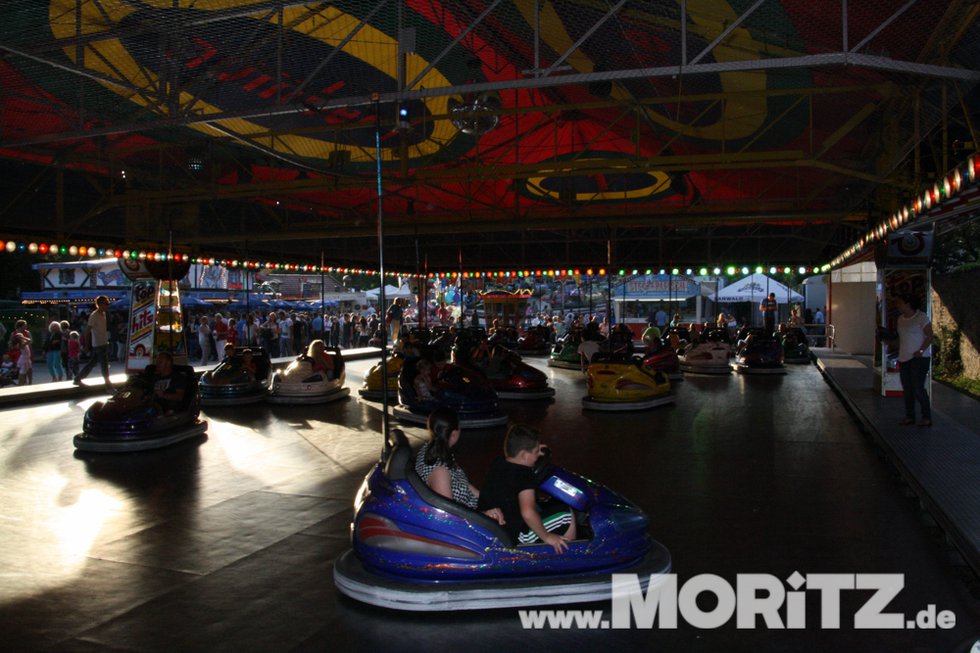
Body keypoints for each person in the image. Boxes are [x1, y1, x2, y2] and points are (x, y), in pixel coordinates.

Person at [477, 423, 577, 553]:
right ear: (524, 455)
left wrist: (533, 449)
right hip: (516, 534)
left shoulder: (498, 462)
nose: (537, 456)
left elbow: (514, 452)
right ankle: (568, 555)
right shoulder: (524, 474)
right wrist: (547, 537)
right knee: (566, 514)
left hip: (495, 526)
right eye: (536, 452)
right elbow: (528, 513)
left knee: (548, 506)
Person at [414, 408, 504, 523]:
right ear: (454, 434)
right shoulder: (440, 471)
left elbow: (464, 484)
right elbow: (449, 515)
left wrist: (487, 499)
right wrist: (485, 515)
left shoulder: (433, 449)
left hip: (472, 509)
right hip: (466, 522)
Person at [894, 294, 933, 427]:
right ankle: (910, 416)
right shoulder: (900, 319)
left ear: (908, 303)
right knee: (907, 388)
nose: (898, 305)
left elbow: (930, 336)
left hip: (919, 359)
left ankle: (926, 417)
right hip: (904, 357)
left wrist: (921, 351)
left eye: (900, 303)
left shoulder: (921, 318)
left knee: (918, 387)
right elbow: (903, 339)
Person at [74, 295, 113, 389]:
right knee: (104, 364)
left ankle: (77, 378)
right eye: (106, 303)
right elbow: (87, 331)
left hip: (103, 342)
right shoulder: (94, 316)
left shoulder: (104, 314)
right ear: (99, 304)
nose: (107, 306)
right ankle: (108, 386)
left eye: (108, 303)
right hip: (98, 344)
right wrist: (86, 345)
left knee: (92, 363)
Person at [12, 321, 32, 385]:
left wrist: (22, 337)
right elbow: (29, 340)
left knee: (28, 370)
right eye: (25, 325)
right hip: (24, 359)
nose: (26, 326)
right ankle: (20, 383)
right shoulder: (22, 344)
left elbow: (30, 341)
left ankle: (26, 382)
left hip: (26, 358)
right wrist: (22, 337)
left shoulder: (23, 343)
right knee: (22, 371)